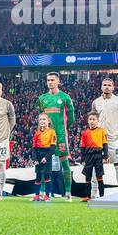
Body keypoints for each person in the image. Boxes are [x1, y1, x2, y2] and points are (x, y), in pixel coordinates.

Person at [37, 72, 75, 200]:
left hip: (60, 135)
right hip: (45, 136)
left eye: (52, 80)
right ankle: (42, 192)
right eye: (48, 80)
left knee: (65, 163)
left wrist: (64, 128)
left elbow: (71, 117)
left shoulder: (65, 97)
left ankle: (68, 192)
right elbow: (40, 117)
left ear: (58, 81)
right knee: (43, 164)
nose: (50, 82)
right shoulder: (42, 98)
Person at [91, 77, 118, 191]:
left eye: (109, 85)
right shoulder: (96, 102)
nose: (107, 87)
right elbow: (93, 118)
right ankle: (94, 193)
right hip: (98, 139)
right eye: (105, 85)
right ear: (101, 87)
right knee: (95, 166)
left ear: (113, 87)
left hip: (114, 138)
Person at [79, 111, 108, 201]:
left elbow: (105, 144)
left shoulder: (102, 131)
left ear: (98, 121)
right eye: (90, 119)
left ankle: (102, 197)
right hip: (88, 156)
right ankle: (88, 196)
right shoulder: (85, 133)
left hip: (98, 156)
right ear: (88, 121)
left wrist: (105, 156)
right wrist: (82, 159)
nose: (92, 121)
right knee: (87, 176)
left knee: (99, 176)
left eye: (94, 119)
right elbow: (83, 147)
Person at [31, 113, 57, 202]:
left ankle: (47, 196)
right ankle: (37, 196)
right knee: (38, 176)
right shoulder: (37, 133)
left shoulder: (52, 132)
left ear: (48, 121)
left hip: (47, 155)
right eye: (40, 119)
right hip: (38, 156)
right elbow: (34, 148)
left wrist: (46, 157)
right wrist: (35, 159)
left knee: (47, 176)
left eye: (44, 119)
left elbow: (53, 147)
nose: (42, 121)